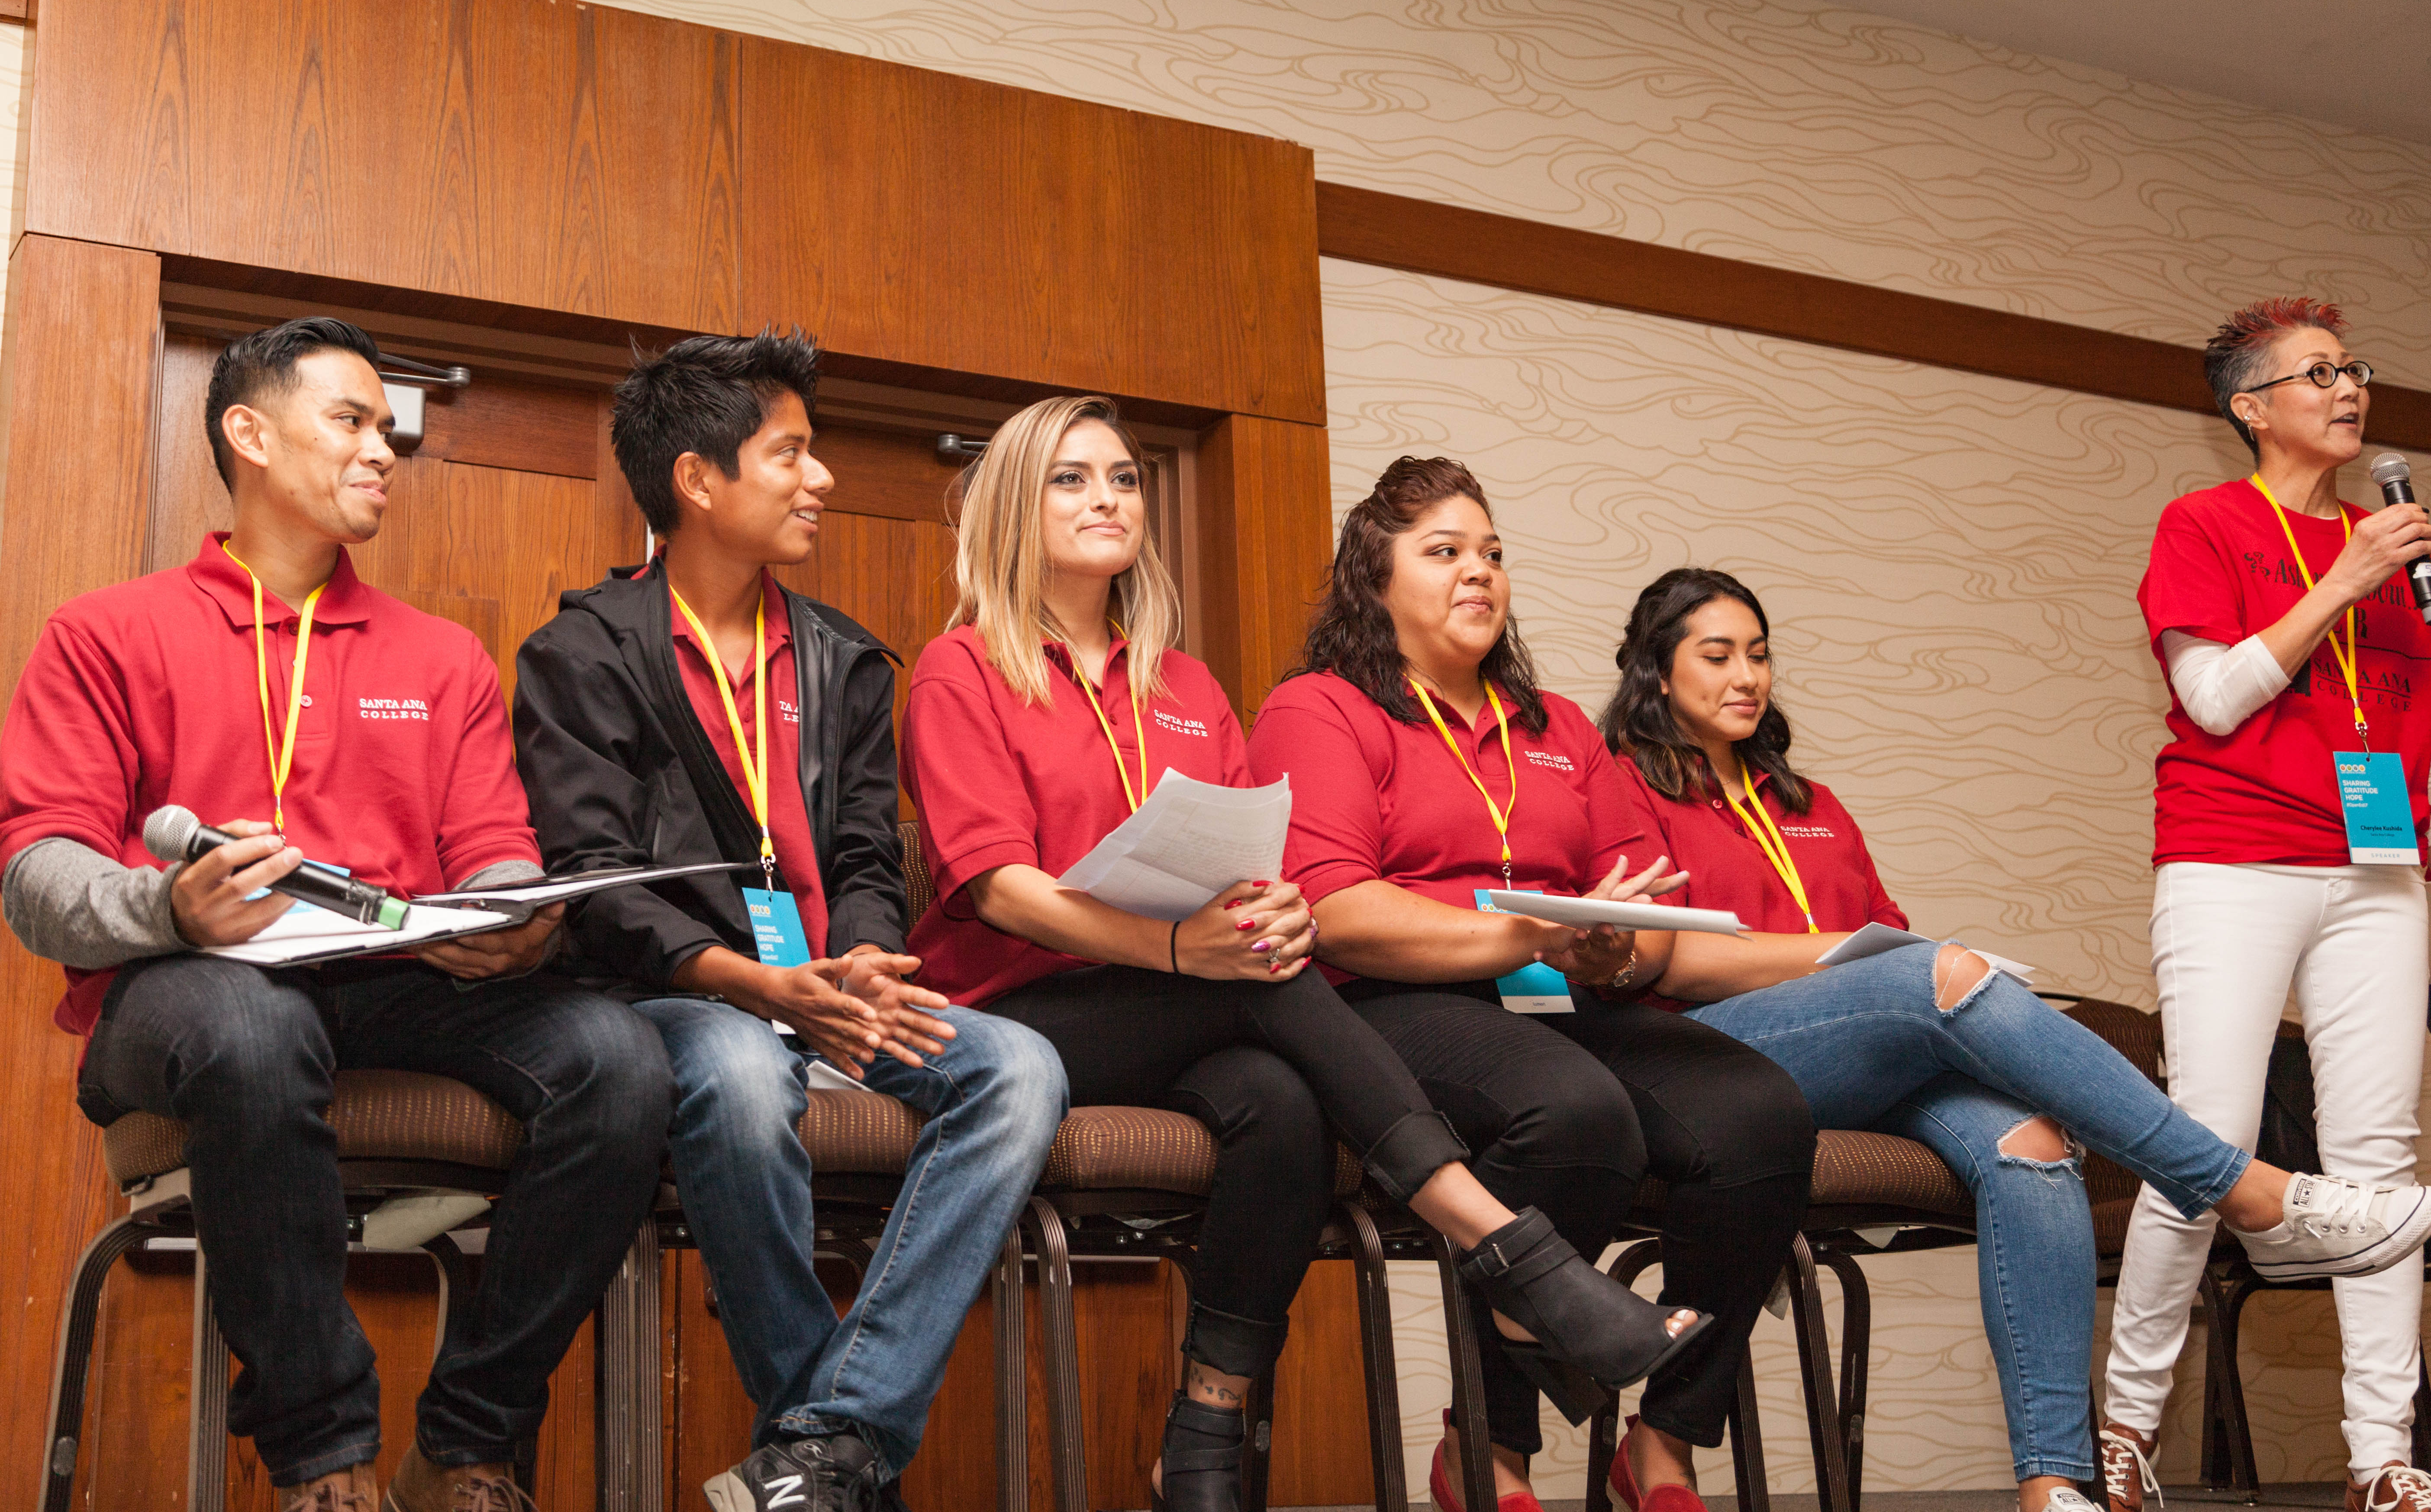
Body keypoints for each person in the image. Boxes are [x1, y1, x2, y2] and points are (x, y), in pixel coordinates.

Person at [900, 397, 1704, 1512]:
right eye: (1071, 479)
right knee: (1267, 981)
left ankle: (1204, 1439)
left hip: (1182, 1002)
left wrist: (1267, 911)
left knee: (1279, 1103)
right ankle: (1510, 1250)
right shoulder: (961, 668)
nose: (1108, 499)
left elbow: (1247, 865)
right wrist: (1187, 946)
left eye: (1125, 478)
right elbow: (1002, 889)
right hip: (1019, 1019)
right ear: (1011, 509)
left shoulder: (1186, 685)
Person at [0, 318, 672, 1512]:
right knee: (254, 1029)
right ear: (250, 435)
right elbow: (37, 877)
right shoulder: (105, 632)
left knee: (620, 1060)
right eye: (352, 421)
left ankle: (466, 1444)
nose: (383, 450)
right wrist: (172, 905)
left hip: (400, 983)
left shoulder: (443, 657)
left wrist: (514, 918)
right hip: (191, 990)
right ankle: (322, 1458)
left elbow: (497, 850)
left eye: (388, 428)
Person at [1594, 562, 2431, 1512]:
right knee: (1940, 973)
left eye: (1759, 654)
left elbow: (1888, 937)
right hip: (1709, 1060)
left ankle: (2052, 1483)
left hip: (1851, 1059)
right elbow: (1671, 963)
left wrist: (1895, 968)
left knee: (2031, 1142)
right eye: (1717, 657)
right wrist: (1855, 960)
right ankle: (2242, 1188)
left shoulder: (1809, 804)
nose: (1747, 676)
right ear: (1657, 670)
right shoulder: (1621, 785)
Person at [512, 330, 1066, 1512]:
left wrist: (862, 956)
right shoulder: (581, 654)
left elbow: (865, 853)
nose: (822, 479)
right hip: (680, 998)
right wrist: (753, 983)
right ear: (697, 480)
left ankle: (822, 1449)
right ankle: (840, 1463)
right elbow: (593, 883)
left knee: (1020, 1068)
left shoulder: (846, 659)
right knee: (741, 1075)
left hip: (829, 996)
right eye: (791, 454)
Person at [1245, 457, 1812, 1512]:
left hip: (1560, 997)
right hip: (1388, 1003)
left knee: (1761, 1114)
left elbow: (1643, 912)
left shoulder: (1556, 726)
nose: (1480, 572)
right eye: (1445, 552)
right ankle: (1490, 1450)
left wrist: (1612, 952)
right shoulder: (1319, 708)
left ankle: (1666, 1438)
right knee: (1574, 1112)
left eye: (1493, 554)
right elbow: (1336, 910)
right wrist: (1529, 932)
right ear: (1374, 580)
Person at [2101, 298, 2431, 1512]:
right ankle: (2127, 1428)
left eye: (2355, 369)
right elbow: (2218, 699)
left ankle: (2382, 1456)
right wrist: (2344, 580)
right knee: (2206, 1142)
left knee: (2379, 1159)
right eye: (2318, 373)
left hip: (2381, 869)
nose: (2349, 389)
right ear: (2251, 408)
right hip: (2234, 856)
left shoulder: (2400, 550)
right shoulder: (2206, 524)